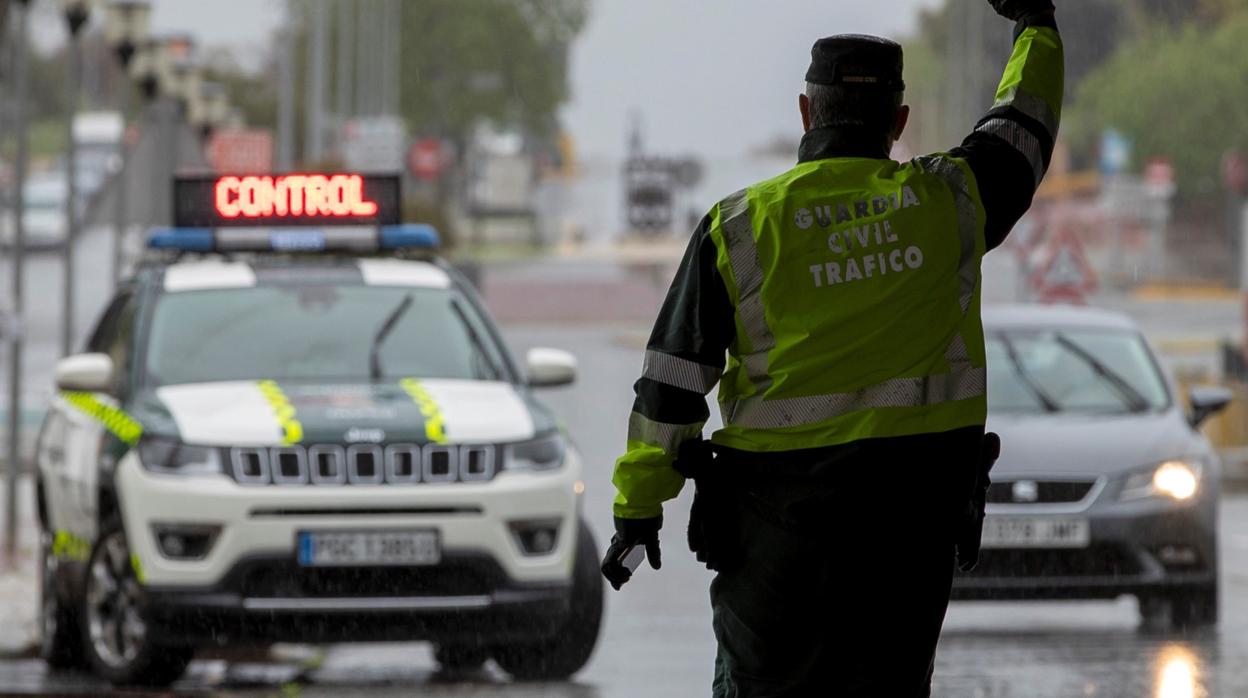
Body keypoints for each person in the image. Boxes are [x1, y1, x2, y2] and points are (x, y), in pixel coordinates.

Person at [600, 0, 1064, 695]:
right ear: (897, 121)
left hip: (774, 543)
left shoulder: (739, 227)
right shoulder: (950, 204)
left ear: (806, 113)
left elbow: (672, 382)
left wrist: (639, 507)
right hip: (907, 541)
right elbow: (1022, 129)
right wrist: (1037, 26)